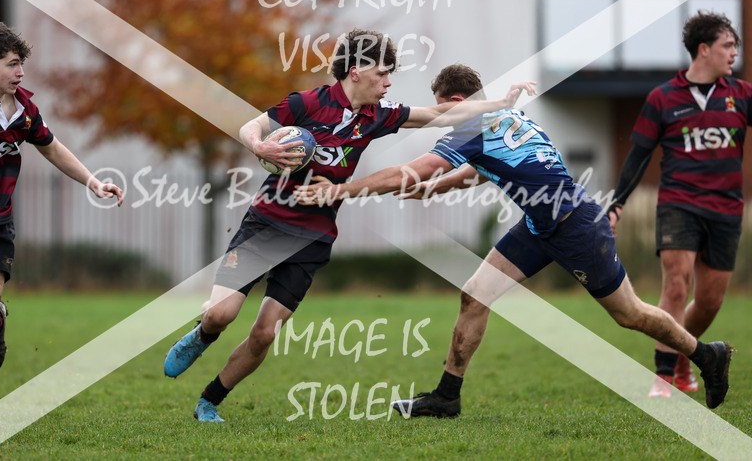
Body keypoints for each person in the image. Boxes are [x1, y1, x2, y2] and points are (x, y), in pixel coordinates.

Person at [295, 63, 733, 416]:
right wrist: (428, 188)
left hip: (576, 226)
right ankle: (447, 396)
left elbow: (422, 169)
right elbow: (470, 174)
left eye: (442, 110)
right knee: (475, 295)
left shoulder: (471, 126)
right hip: (541, 226)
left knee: (629, 314)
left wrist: (341, 190)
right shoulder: (504, 118)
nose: (442, 118)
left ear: (456, 102)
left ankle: (706, 355)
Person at [162, 29, 535, 423]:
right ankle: (203, 334)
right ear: (355, 71)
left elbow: (438, 115)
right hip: (267, 223)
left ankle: (209, 401)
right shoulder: (308, 103)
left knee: (265, 334)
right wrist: (260, 145)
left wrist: (500, 102)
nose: (389, 82)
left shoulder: (378, 115)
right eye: (383, 73)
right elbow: (251, 127)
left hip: (314, 237)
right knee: (221, 315)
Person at [0, 23, 124, 424]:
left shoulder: (24, 111)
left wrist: (93, 181)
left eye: (22, 64)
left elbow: (53, 148)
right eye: (13, 65)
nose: (21, 72)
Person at [607, 11, 750, 399]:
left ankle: (688, 352)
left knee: (708, 301)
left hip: (726, 210)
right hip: (678, 203)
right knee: (676, 281)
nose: (735, 52)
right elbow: (638, 155)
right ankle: (664, 377)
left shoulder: (742, 94)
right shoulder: (663, 98)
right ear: (704, 50)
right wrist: (617, 203)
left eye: (735, 45)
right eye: (728, 45)